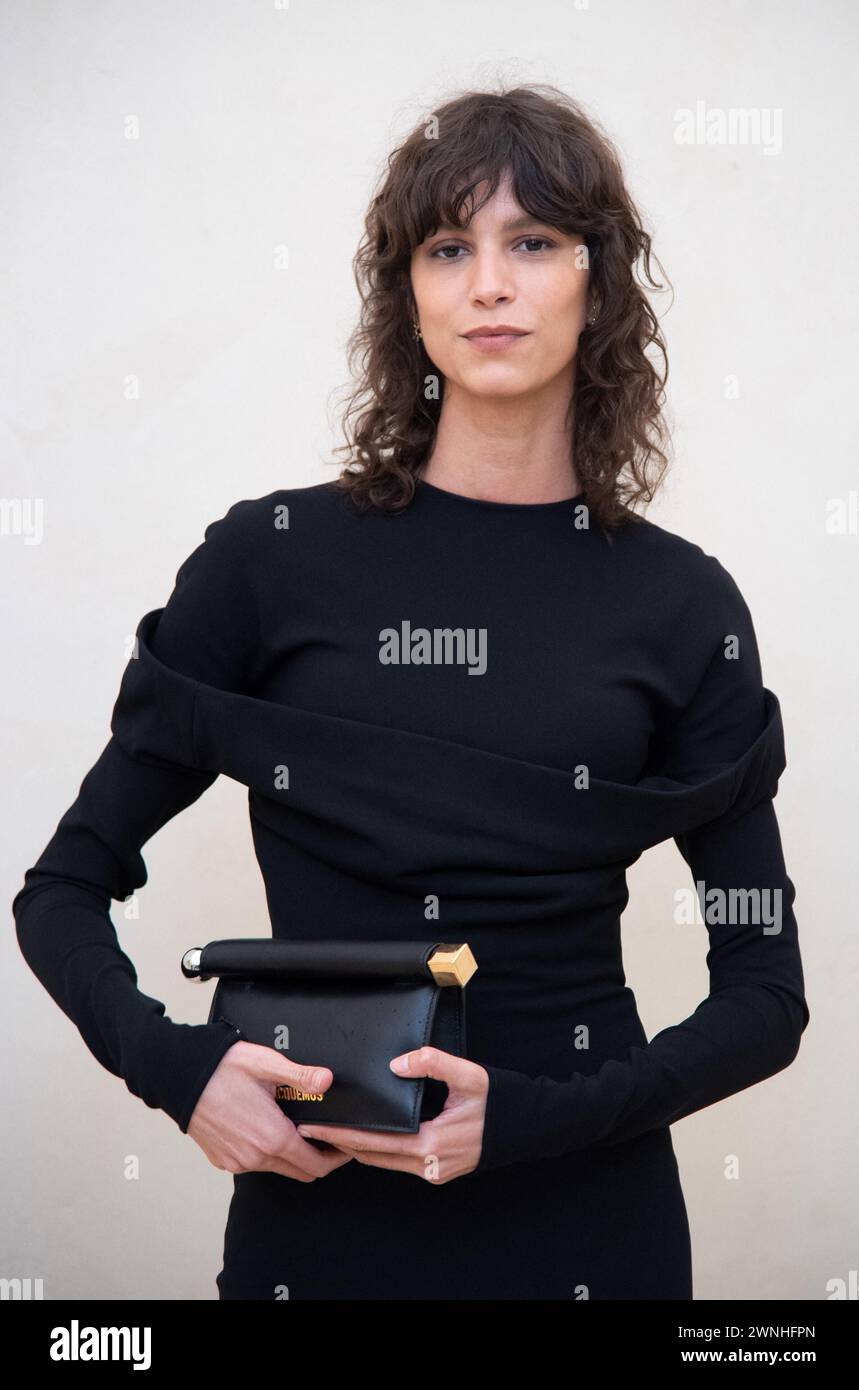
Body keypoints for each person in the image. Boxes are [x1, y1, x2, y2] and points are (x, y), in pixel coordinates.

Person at [12, 84, 809, 1300]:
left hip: (591, 1226)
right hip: (319, 1235)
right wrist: (180, 1073)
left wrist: (537, 1118)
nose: (489, 282)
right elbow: (62, 887)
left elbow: (763, 994)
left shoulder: (683, 605)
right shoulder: (268, 560)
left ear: (597, 284)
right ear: (409, 294)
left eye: (531, 242)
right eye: (449, 247)